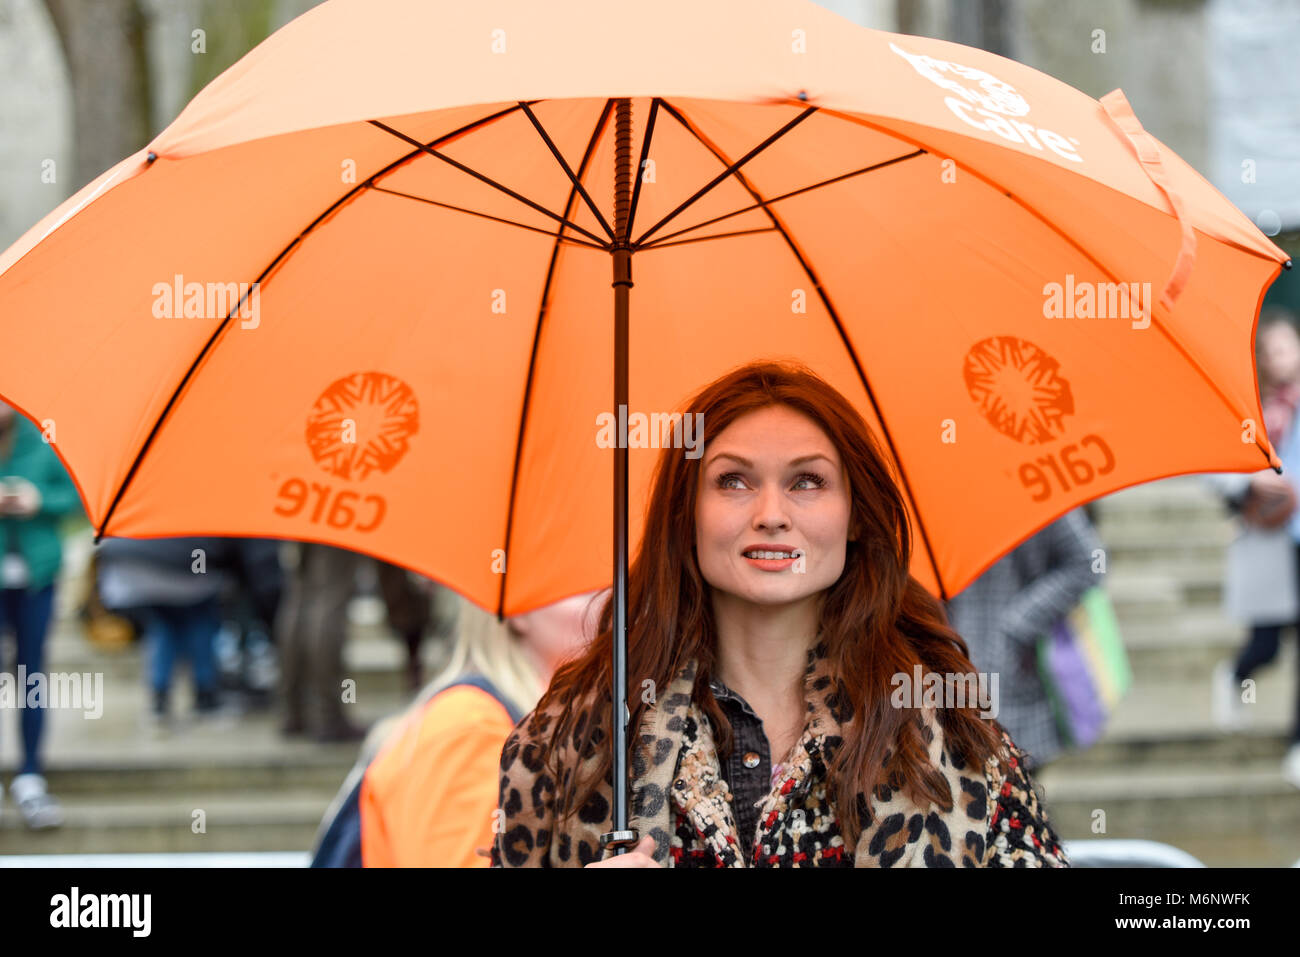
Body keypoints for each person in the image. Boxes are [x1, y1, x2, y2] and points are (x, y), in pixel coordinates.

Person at [491, 360, 1068, 868]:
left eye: (807, 481)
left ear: (856, 517)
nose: (770, 513)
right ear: (685, 514)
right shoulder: (569, 743)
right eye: (733, 481)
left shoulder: (953, 734)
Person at [337, 589, 600, 867]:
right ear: (518, 610)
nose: (607, 601)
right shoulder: (469, 726)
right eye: (583, 591)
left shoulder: (537, 721)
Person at [1203, 309, 1300, 788]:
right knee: (1268, 642)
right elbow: (1218, 473)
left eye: (1288, 347)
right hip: (1269, 540)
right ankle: (1233, 675)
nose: (1282, 359)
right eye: (1273, 350)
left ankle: (1297, 744)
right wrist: (1251, 487)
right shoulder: (1253, 409)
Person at [943, 508, 1104, 773]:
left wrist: (1019, 621)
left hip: (1016, 677)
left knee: (1016, 792)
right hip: (954, 670)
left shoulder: (1036, 490)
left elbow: (1088, 561)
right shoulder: (939, 497)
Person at [96, 536, 283, 726]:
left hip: (138, 564)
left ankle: (160, 698)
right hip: (190, 563)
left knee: (164, 627)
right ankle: (205, 695)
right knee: (201, 624)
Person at [0, 400, 83, 829]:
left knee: (33, 673)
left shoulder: (42, 440)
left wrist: (37, 500)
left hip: (37, 573)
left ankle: (31, 773)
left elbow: (74, 496)